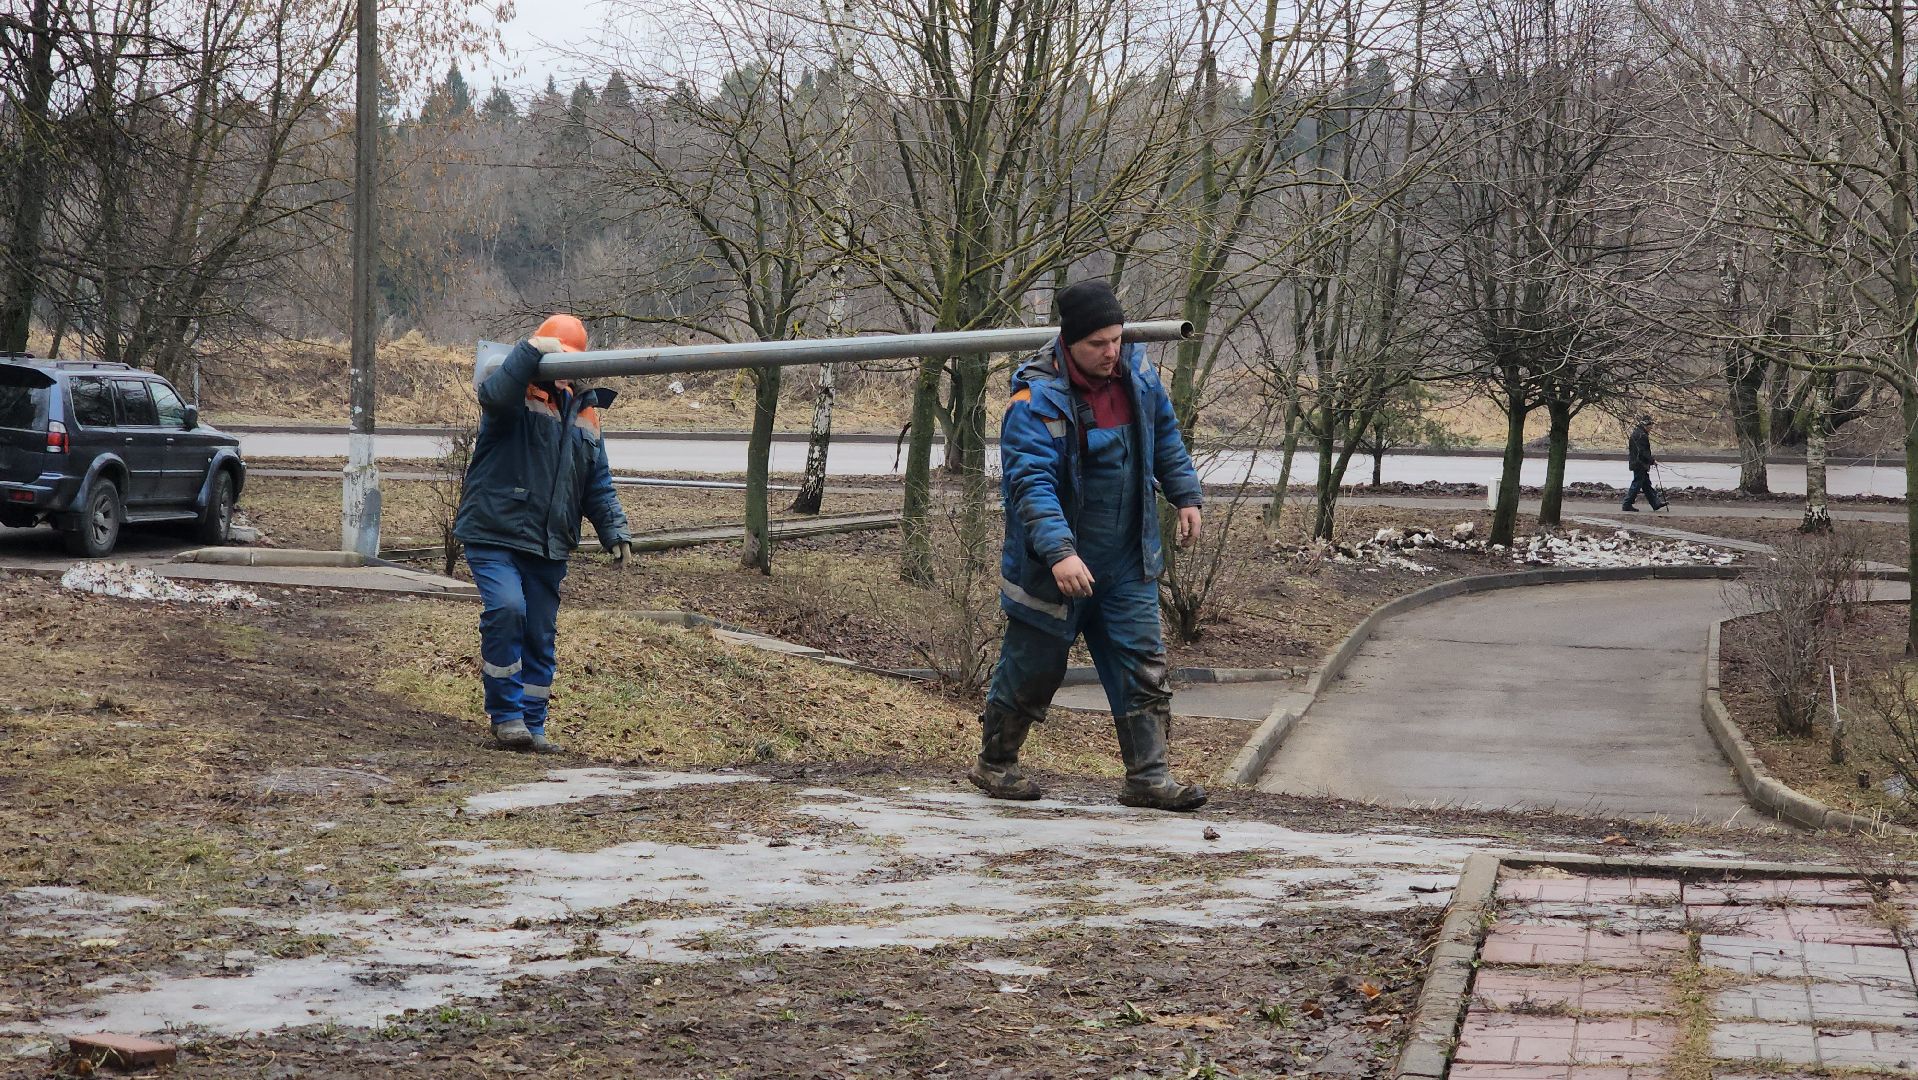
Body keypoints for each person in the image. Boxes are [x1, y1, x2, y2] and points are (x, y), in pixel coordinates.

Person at [971, 280, 1210, 811]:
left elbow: (1165, 437)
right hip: (1053, 568)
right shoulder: (1034, 401)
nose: (1111, 353)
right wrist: (1060, 552)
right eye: (1098, 343)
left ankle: (1148, 778)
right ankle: (995, 763)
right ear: (1069, 342)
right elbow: (1028, 485)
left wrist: (1186, 494)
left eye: (1117, 339)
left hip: (1127, 562)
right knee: (1031, 669)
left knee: (1143, 668)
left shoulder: (1140, 377)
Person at [456, 314, 636, 753]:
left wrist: (615, 529)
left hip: (549, 542)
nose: (565, 373)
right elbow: (493, 396)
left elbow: (597, 479)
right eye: (560, 361)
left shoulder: (586, 412)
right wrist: (530, 350)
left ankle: (533, 726)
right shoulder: (512, 391)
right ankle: (506, 717)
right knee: (507, 609)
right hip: (496, 531)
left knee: (539, 633)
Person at [1622, 413, 1666, 512]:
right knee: (1637, 484)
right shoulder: (1641, 435)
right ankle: (1627, 504)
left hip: (1637, 462)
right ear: (1646, 425)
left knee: (1646, 484)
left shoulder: (1638, 433)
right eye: (1650, 426)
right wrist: (1652, 460)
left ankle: (1656, 503)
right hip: (1639, 464)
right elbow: (1642, 452)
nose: (1651, 428)